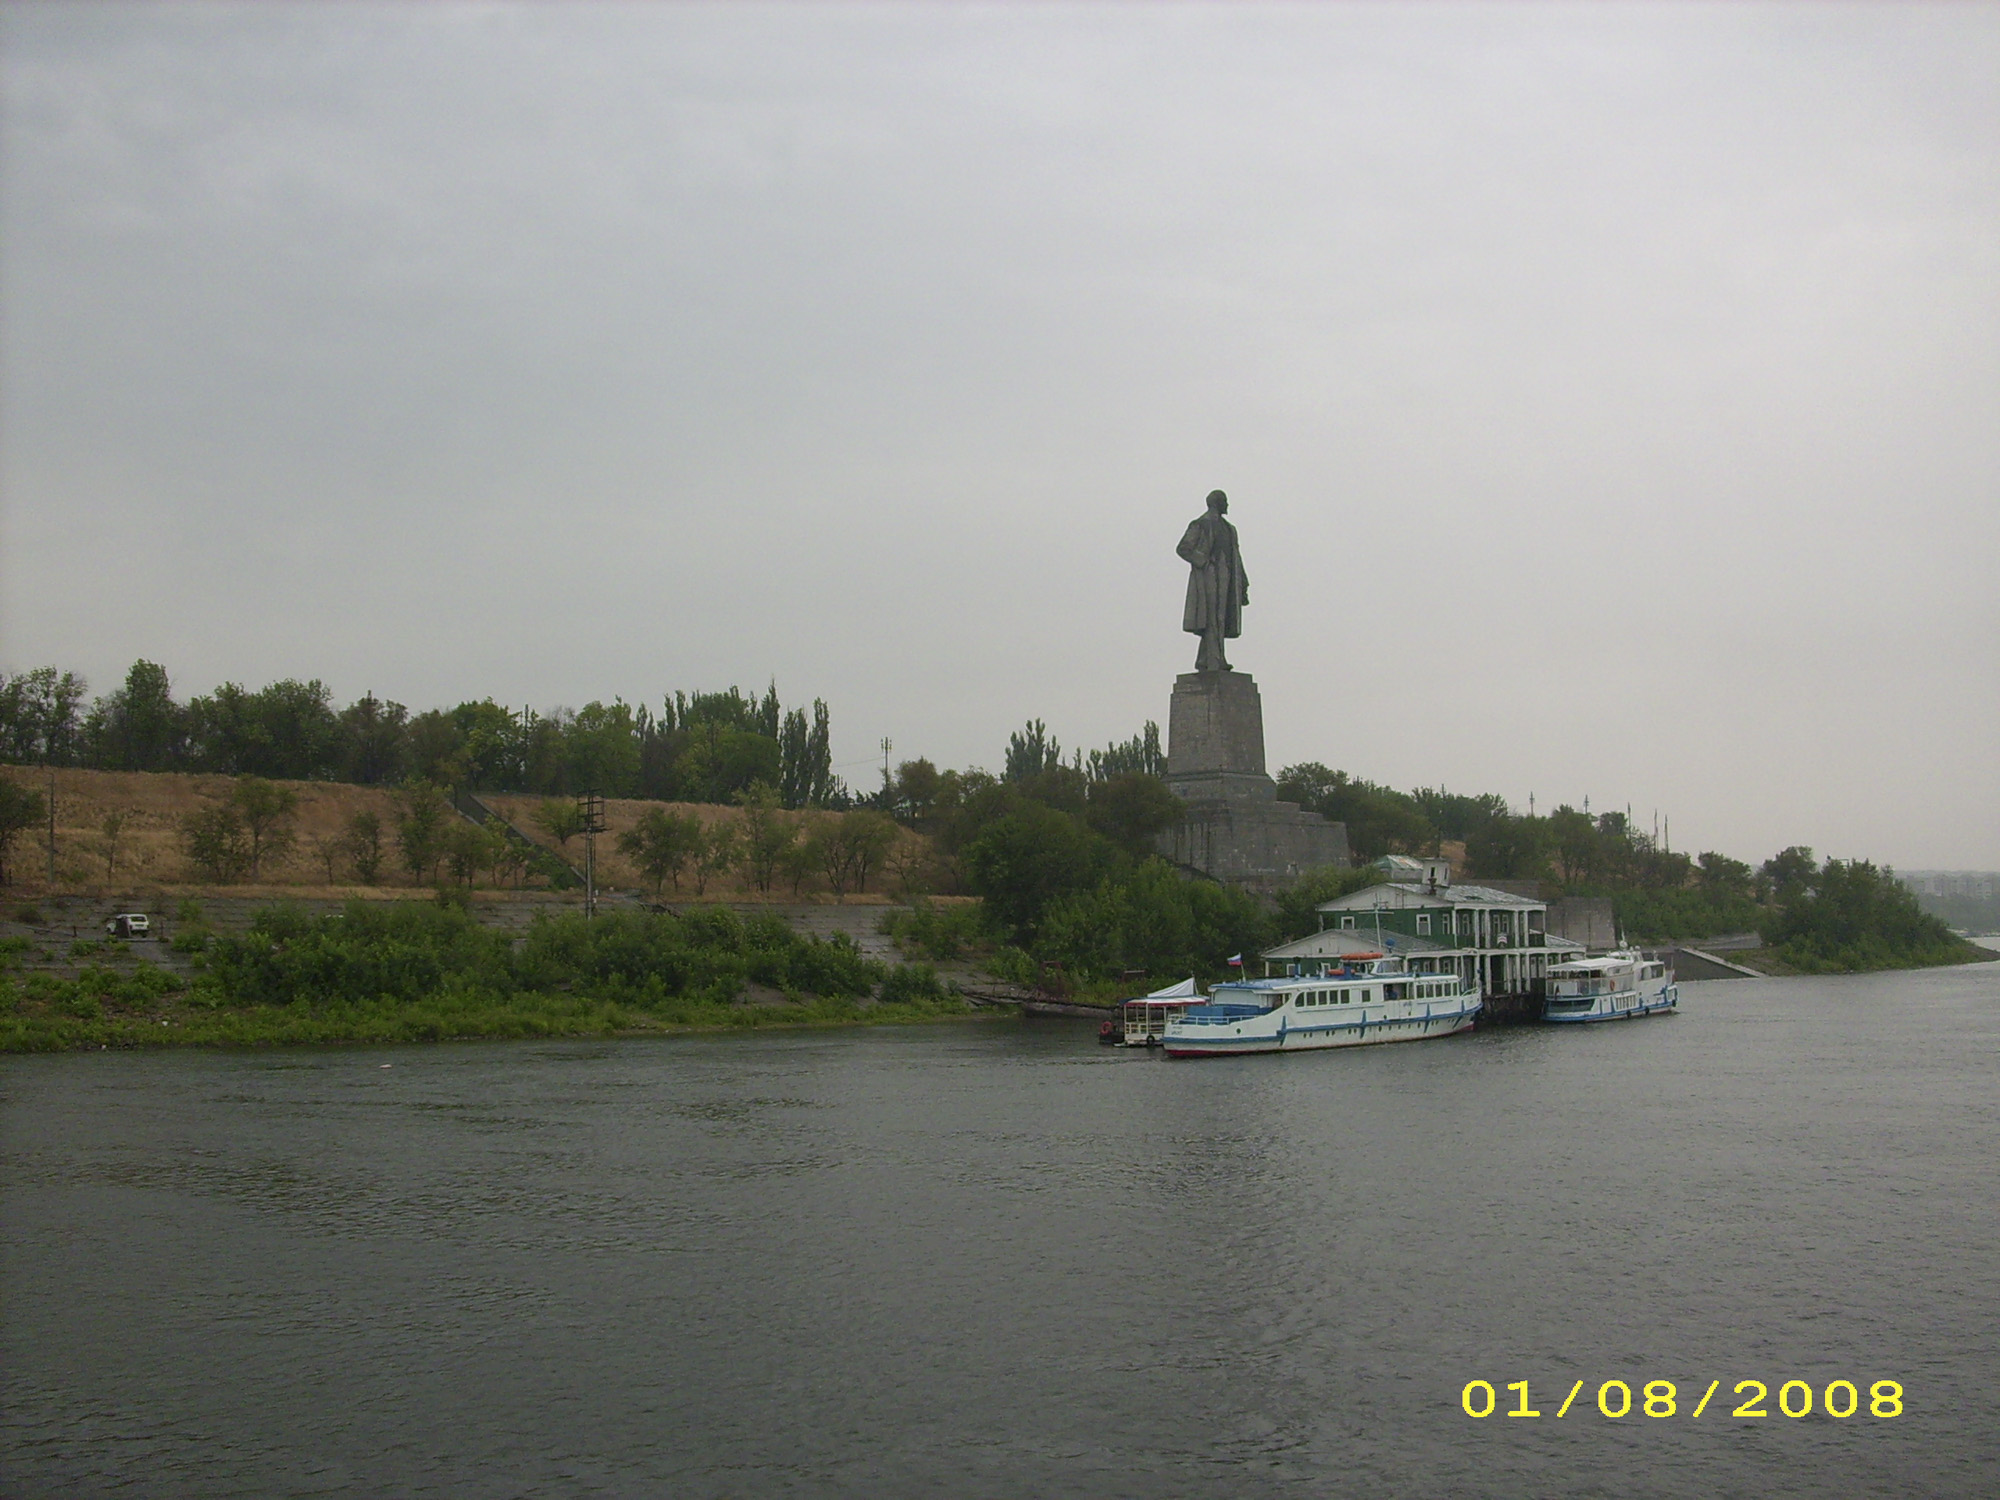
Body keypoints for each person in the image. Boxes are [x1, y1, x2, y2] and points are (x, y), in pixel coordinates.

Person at [1176, 489, 1249, 672]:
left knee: (1220, 618)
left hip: (1227, 576)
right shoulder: (1200, 524)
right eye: (1225, 501)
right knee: (1212, 618)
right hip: (1208, 576)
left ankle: (1205, 660)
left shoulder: (1230, 529)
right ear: (1217, 503)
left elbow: (1237, 557)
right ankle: (1216, 661)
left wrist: (1243, 583)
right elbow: (1183, 548)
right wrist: (1204, 562)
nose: (1228, 505)